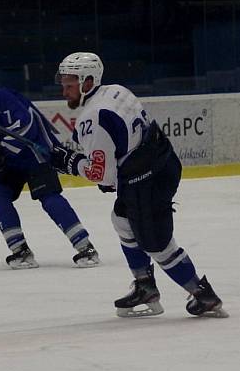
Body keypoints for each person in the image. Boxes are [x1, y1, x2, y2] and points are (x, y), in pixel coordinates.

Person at [50, 52, 228, 317]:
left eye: (69, 84)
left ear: (88, 82)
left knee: (157, 243)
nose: (64, 90)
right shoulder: (116, 90)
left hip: (144, 181)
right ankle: (145, 285)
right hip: (164, 161)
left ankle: (203, 295)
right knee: (121, 218)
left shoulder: (92, 118)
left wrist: (69, 162)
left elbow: (105, 177)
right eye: (63, 83)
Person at [0, 61, 99, 269]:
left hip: (34, 152)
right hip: (12, 161)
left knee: (49, 198)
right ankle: (21, 251)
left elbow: (27, 124)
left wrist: (3, 149)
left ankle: (86, 248)